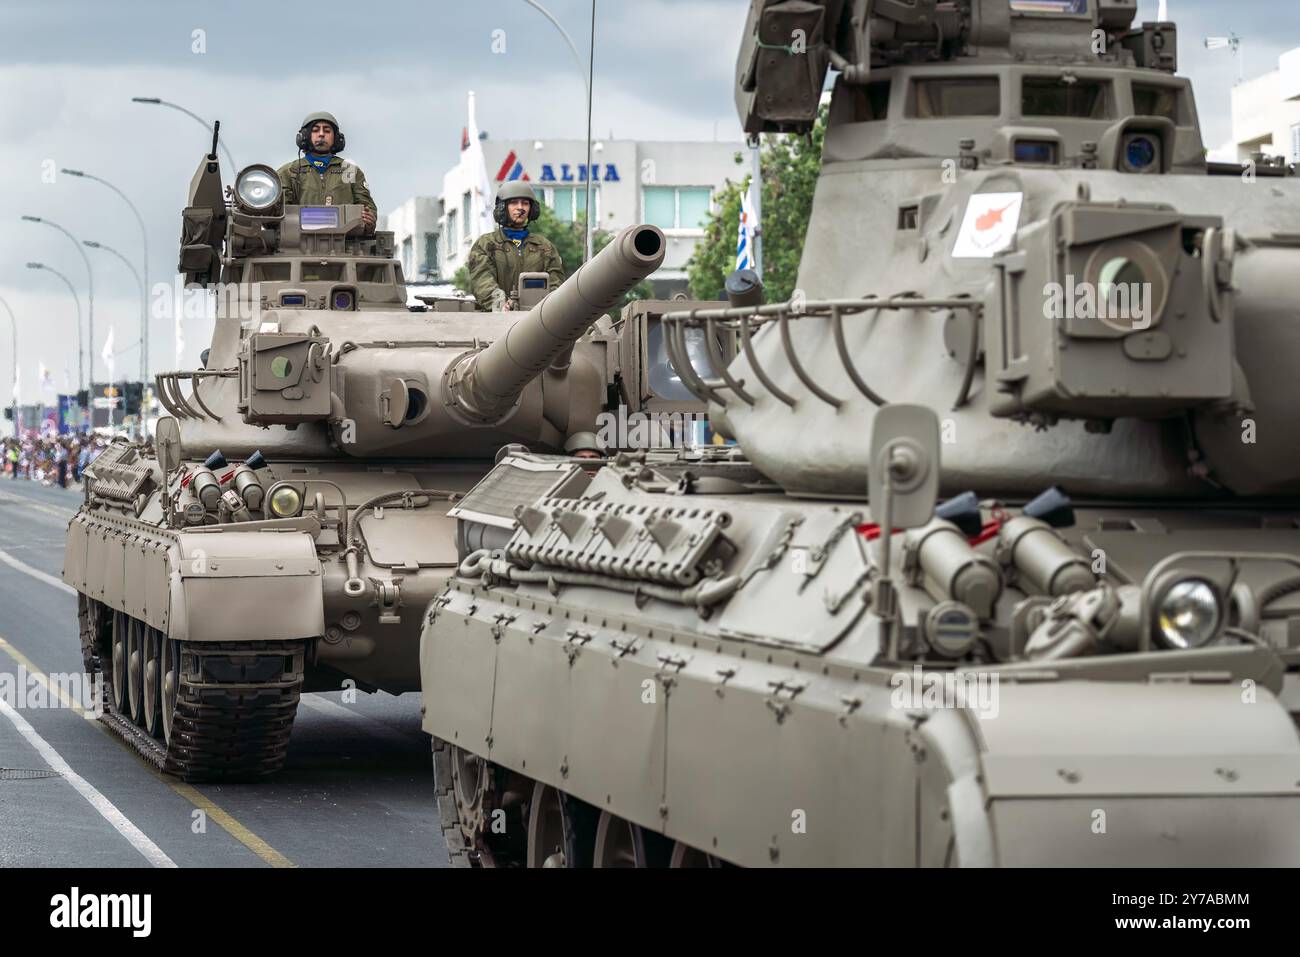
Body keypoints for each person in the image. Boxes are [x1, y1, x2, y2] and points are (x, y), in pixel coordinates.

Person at [466, 181, 564, 311]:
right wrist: (501, 304)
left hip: (538, 317)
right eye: (514, 203)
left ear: (532, 209)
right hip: (496, 319)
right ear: (502, 208)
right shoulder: (486, 245)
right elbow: (482, 281)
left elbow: (556, 283)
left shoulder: (544, 247)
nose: (520, 208)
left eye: (525, 203)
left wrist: (547, 307)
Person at [276, 111, 376, 231]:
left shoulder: (349, 171)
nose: (321, 134)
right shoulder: (288, 172)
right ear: (305, 136)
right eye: (316, 130)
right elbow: (276, 215)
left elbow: (366, 207)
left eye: (327, 131)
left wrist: (369, 219)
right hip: (298, 243)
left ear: (336, 138)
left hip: (345, 242)